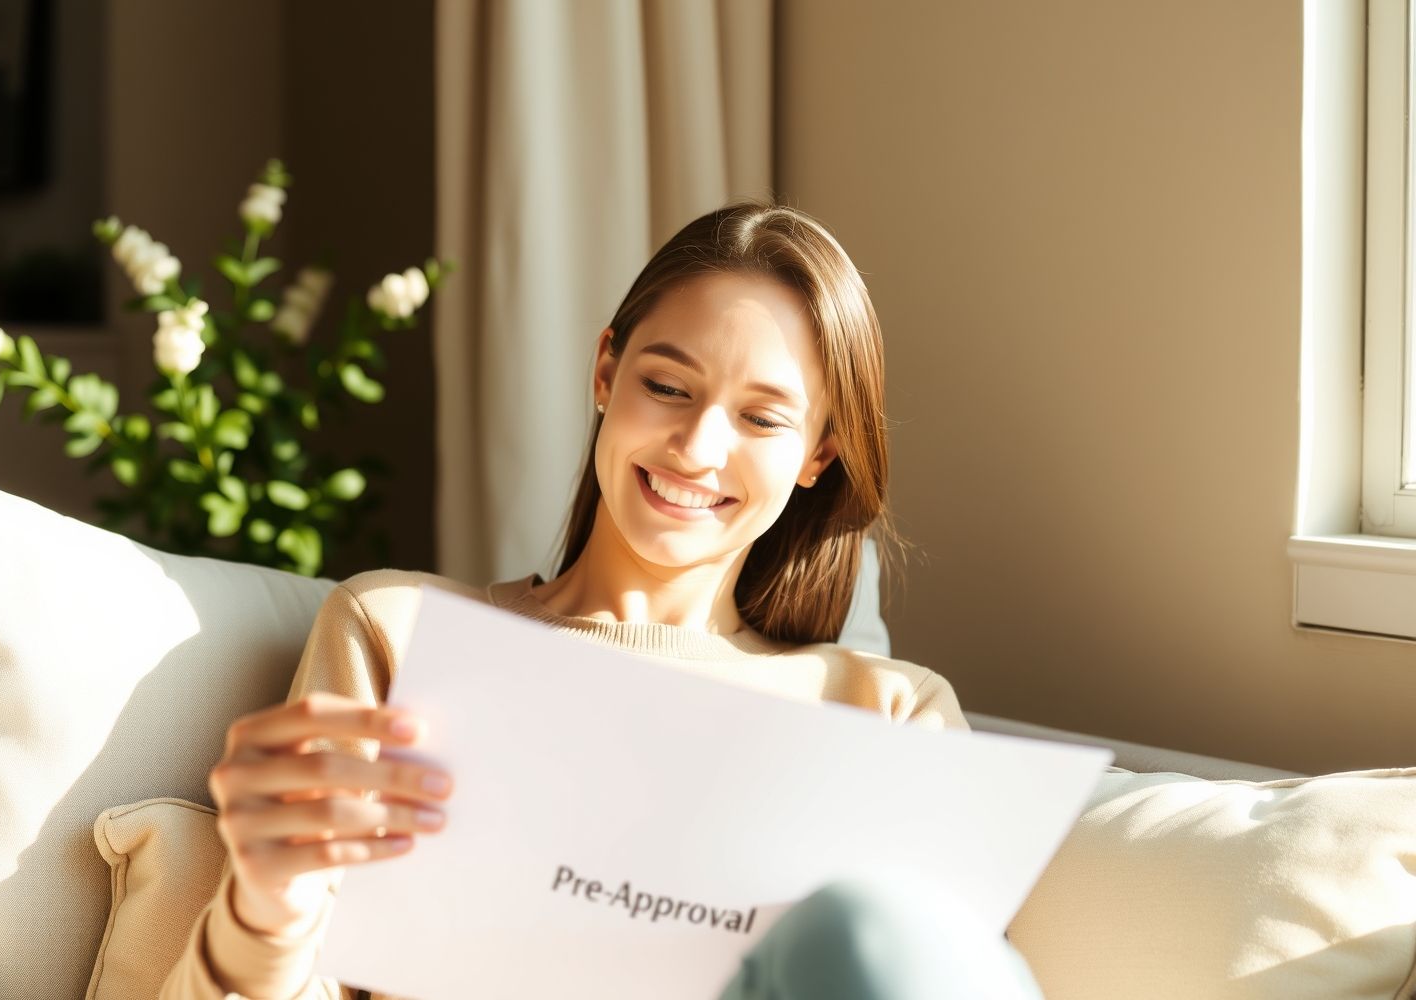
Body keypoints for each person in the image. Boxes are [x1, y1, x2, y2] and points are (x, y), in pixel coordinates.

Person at [161, 201, 1046, 999]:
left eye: (762, 417)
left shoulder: (884, 710)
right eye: (667, 386)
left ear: (818, 455)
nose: (697, 446)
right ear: (605, 373)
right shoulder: (402, 632)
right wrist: (267, 910)